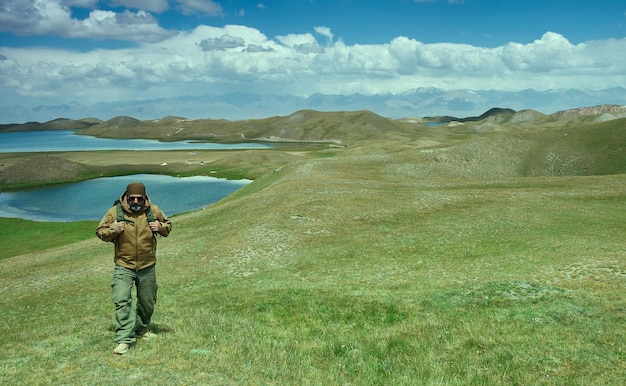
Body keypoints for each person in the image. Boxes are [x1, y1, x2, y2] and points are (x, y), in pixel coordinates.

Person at [96, 182, 172, 355]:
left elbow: (168, 226)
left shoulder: (153, 211)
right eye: (132, 198)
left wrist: (161, 227)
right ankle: (124, 339)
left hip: (147, 266)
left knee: (147, 301)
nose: (136, 201)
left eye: (139, 198)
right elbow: (100, 232)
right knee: (122, 300)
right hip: (124, 266)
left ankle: (141, 328)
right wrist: (114, 229)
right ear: (126, 197)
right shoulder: (115, 212)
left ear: (145, 197)